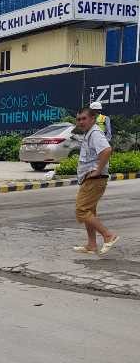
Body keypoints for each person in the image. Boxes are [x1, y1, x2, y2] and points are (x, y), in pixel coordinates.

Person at [73, 107, 119, 256]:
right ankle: (92, 245)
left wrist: (98, 170)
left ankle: (108, 235)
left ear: (92, 119)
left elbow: (106, 150)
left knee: (82, 210)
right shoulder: (89, 133)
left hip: (95, 178)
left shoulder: (95, 133)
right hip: (90, 178)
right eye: (78, 119)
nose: (81, 122)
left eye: (84, 118)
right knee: (89, 211)